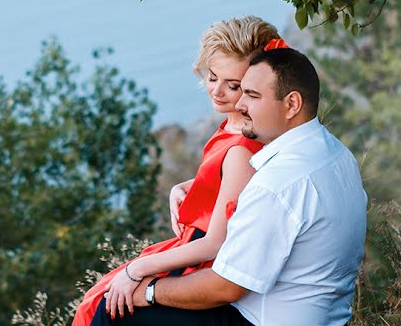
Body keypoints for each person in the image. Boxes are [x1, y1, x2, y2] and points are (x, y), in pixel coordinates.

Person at [90, 47, 368, 326]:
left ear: (292, 104)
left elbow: (226, 286)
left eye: (253, 96)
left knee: (112, 312)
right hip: (323, 317)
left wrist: (148, 291)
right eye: (243, 91)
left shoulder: (277, 185)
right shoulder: (335, 154)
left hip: (258, 321)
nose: (241, 105)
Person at [71, 17, 286, 326]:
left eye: (234, 86)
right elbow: (227, 179)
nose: (218, 92)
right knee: (101, 299)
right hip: (194, 244)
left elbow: (215, 243)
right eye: (213, 78)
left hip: (204, 259)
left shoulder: (242, 146)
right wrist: (187, 186)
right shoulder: (238, 123)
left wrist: (137, 270)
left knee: (107, 308)